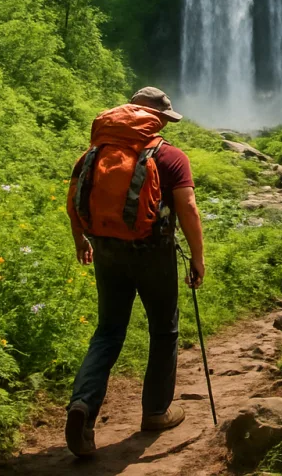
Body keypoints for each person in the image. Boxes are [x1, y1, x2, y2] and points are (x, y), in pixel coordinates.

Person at [63, 87, 206, 458]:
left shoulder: (93, 153)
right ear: (157, 119)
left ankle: (82, 406)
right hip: (153, 252)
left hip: (106, 247)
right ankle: (156, 412)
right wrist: (197, 256)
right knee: (163, 328)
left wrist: (81, 240)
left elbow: (74, 197)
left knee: (108, 330)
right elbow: (187, 209)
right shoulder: (170, 156)